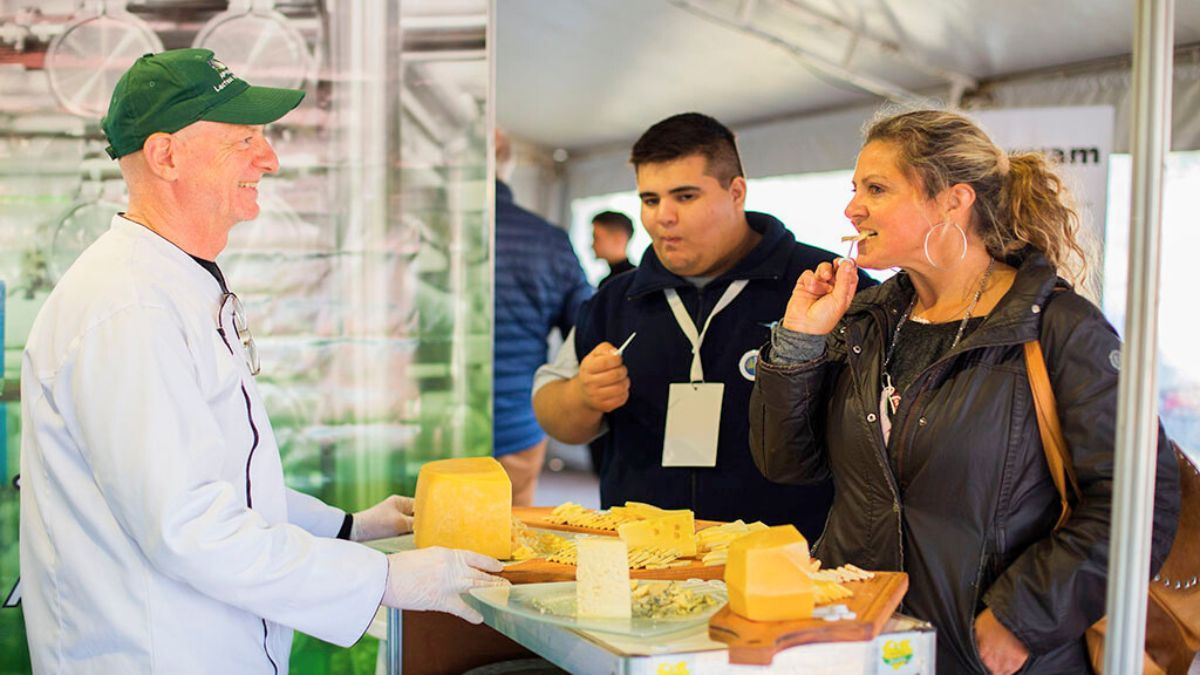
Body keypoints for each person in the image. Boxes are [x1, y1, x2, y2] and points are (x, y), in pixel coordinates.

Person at [19, 49, 507, 674]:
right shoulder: (129, 308)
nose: (269, 159)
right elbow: (186, 525)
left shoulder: (172, 284)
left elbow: (217, 478)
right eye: (244, 138)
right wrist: (381, 578)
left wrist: (348, 527)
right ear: (166, 156)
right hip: (153, 653)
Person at [749, 109, 1180, 674]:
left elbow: (1140, 502)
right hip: (861, 644)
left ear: (954, 201)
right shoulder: (864, 320)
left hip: (988, 656)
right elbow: (786, 464)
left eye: (876, 189)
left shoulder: (1058, 327)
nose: (852, 209)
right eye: (854, 190)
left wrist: (1022, 617)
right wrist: (800, 343)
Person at [533, 112, 874, 534]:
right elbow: (554, 414)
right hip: (645, 555)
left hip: (787, 553)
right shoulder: (616, 298)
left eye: (685, 196)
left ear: (736, 192)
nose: (663, 217)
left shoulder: (825, 285)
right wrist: (583, 395)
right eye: (650, 200)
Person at [493, 130, 592, 505]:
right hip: (518, 421)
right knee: (509, 540)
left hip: (428, 426)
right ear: (509, 165)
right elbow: (586, 327)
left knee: (419, 538)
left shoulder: (423, 233)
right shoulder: (548, 240)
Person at [591, 210, 636, 288]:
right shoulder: (609, 281)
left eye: (596, 238)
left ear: (618, 238)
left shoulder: (631, 282)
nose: (592, 245)